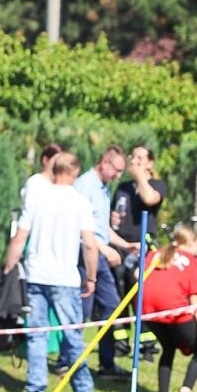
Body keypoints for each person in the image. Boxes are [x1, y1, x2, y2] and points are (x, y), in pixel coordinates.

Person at [1, 152, 100, 392]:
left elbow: (19, 238)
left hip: (36, 276)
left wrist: (9, 267)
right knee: (73, 337)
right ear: (74, 173)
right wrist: (91, 277)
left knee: (37, 336)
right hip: (65, 279)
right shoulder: (79, 202)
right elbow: (90, 244)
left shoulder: (37, 199)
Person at [140, 223, 197, 392]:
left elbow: (137, 275)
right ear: (191, 242)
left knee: (168, 348)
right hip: (175, 313)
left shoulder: (156, 253)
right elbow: (195, 297)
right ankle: (186, 390)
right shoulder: (191, 261)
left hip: (149, 313)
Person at [74, 145, 127, 376]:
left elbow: (101, 227)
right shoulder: (86, 185)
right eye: (116, 170)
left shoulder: (104, 189)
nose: (118, 176)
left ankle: (106, 363)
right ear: (104, 163)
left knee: (110, 308)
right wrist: (104, 250)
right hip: (86, 254)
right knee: (82, 311)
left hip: (99, 253)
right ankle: (70, 360)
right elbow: (80, 228)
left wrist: (125, 245)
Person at [110, 144, 166, 261]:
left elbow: (149, 199)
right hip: (120, 244)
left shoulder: (157, 185)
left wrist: (139, 175)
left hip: (142, 245)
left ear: (150, 163)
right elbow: (113, 210)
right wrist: (112, 218)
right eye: (133, 157)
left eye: (139, 158)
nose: (134, 161)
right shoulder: (123, 187)